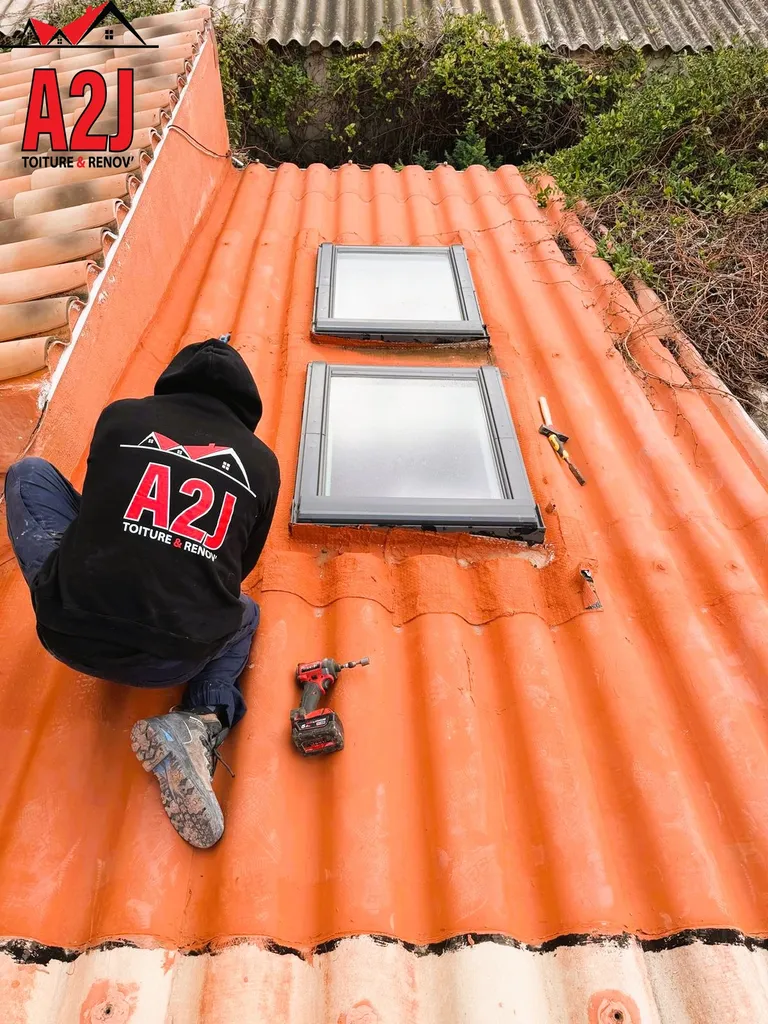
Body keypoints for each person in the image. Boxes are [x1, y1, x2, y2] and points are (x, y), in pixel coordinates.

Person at [4, 338, 280, 850]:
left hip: (67, 628)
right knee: (246, 613)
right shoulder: (262, 465)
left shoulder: (121, 418)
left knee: (27, 474)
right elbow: (238, 570)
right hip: (172, 663)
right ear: (247, 405)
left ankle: (71, 583)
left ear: (172, 380)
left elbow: (100, 502)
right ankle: (201, 720)